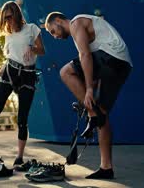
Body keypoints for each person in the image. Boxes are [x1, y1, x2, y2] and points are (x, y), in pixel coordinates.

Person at [44, 12, 132, 179]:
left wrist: (89, 89)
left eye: (52, 31)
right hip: (122, 64)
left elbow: (85, 56)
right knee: (102, 114)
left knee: (66, 72)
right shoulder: (83, 28)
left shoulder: (76, 23)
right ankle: (106, 167)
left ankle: (91, 113)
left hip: (111, 57)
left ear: (58, 21)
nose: (54, 36)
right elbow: (91, 59)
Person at [0, 1, 45, 169]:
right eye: (5, 19)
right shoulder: (8, 34)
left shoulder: (32, 28)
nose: (7, 21)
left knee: (22, 119)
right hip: (10, 71)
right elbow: (10, 56)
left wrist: (32, 49)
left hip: (27, 75)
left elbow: (42, 50)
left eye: (10, 17)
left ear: (17, 14)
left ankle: (19, 157)